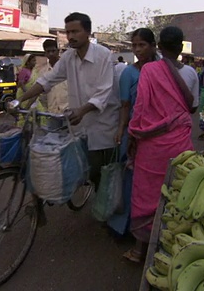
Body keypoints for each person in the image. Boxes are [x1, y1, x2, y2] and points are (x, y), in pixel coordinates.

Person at [17, 12, 119, 191]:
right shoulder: (68, 57)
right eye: (68, 32)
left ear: (88, 32)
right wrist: (20, 100)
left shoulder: (103, 55)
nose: (70, 36)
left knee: (99, 173)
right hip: (77, 122)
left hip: (102, 123)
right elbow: (47, 80)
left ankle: (103, 210)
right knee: (78, 165)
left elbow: (104, 92)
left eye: (75, 31)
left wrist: (82, 110)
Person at [124, 26, 198, 262]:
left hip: (151, 146)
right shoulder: (191, 73)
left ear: (159, 46)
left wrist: (134, 135)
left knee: (146, 193)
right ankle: (176, 250)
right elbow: (192, 107)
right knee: (178, 193)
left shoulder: (149, 71)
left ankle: (139, 251)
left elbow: (141, 109)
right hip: (179, 144)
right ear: (180, 46)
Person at [108, 28, 158, 238]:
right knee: (130, 180)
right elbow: (125, 105)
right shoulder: (129, 73)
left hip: (157, 134)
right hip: (135, 133)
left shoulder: (161, 70)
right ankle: (126, 226)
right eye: (134, 45)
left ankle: (151, 228)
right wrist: (121, 131)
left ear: (153, 46)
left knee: (152, 184)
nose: (137, 50)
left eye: (142, 45)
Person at [41, 39, 68, 114]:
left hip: (68, 111)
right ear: (45, 53)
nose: (51, 54)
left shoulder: (67, 68)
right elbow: (42, 96)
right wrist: (48, 108)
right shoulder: (43, 72)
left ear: (58, 51)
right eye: (48, 51)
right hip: (52, 112)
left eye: (53, 51)